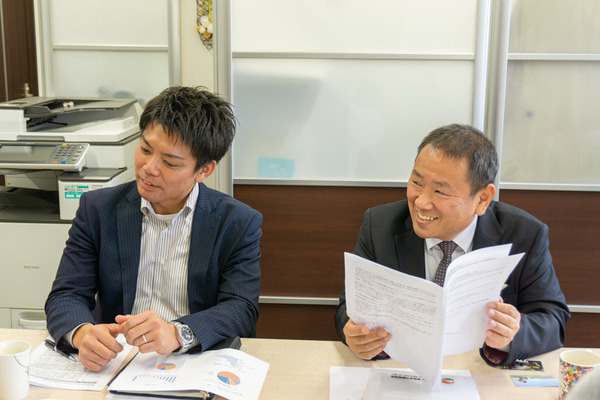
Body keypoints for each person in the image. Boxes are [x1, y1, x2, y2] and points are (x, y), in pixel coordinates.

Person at [45, 86, 262, 372]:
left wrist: (178, 333)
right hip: (117, 362)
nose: (149, 167)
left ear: (204, 170)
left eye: (170, 162)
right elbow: (66, 295)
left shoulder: (237, 222)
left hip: (194, 362)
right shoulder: (97, 209)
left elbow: (241, 309)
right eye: (145, 149)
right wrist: (82, 333)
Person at [334, 124, 570, 366]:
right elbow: (347, 309)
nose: (421, 202)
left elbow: (553, 321)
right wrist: (354, 335)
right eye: (416, 182)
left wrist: (511, 333)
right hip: (402, 370)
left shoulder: (524, 234)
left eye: (440, 191)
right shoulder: (379, 226)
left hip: (479, 372)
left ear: (483, 198)